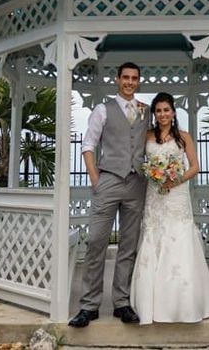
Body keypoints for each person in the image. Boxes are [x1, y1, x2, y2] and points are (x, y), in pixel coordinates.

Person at [69, 62, 149, 328]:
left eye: (134, 78)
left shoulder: (145, 111)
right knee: (96, 242)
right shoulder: (103, 109)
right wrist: (95, 179)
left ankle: (121, 303)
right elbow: (88, 144)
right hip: (108, 180)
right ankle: (89, 305)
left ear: (138, 81)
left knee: (129, 245)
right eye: (125, 77)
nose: (129, 82)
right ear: (117, 79)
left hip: (137, 184)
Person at [129, 92, 209, 324]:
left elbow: (195, 167)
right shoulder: (146, 135)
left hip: (177, 196)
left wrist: (175, 180)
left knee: (179, 240)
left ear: (173, 112)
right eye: (158, 111)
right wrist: (153, 173)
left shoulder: (184, 137)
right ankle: (150, 305)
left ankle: (182, 304)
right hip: (155, 196)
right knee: (154, 238)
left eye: (166, 110)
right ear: (154, 114)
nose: (162, 115)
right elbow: (137, 160)